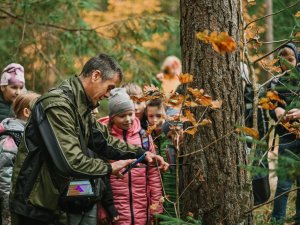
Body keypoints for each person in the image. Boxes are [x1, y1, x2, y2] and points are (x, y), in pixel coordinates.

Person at [9, 53, 168, 225]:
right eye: (109, 87)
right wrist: (109, 168)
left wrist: (143, 154)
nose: (108, 95)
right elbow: (70, 161)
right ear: (96, 76)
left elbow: (105, 141)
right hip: (32, 205)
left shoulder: (80, 106)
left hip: (52, 202)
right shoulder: (58, 105)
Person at [98, 88, 163, 225]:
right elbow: (99, 177)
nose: (128, 120)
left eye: (130, 114)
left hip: (142, 207)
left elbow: (153, 174)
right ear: (112, 117)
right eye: (122, 116)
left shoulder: (144, 136)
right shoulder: (103, 138)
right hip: (115, 209)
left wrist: (156, 207)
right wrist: (103, 209)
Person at [270, 43, 300, 224]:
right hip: (287, 139)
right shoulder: (277, 81)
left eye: (291, 60)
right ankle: (277, 220)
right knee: (283, 184)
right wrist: (276, 111)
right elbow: (271, 103)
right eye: (283, 61)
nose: (287, 64)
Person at [0, 92, 40, 225]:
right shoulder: (12, 138)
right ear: (27, 112)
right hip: (14, 208)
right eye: (40, 110)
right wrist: (7, 214)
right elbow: (5, 179)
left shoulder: (30, 135)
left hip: (27, 206)